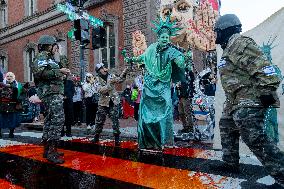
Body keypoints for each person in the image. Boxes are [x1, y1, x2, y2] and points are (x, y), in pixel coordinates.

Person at [215, 14, 284, 187]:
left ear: (225, 29)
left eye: (217, 31)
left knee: (255, 139)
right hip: (234, 101)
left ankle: (282, 175)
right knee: (226, 125)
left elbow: (265, 67)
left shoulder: (239, 43)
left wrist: (267, 89)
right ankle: (230, 163)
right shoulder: (229, 47)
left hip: (249, 99)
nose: (216, 35)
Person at [125, 17, 186, 150]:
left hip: (163, 86)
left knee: (166, 108)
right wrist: (131, 59)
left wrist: (182, 59)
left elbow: (180, 61)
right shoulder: (151, 48)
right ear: (158, 37)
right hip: (149, 85)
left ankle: (165, 140)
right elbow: (142, 57)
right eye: (163, 36)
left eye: (167, 37)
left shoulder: (171, 51)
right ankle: (148, 142)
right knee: (146, 113)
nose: (165, 39)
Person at [31, 35, 70, 164]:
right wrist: (59, 71)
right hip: (50, 94)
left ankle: (48, 149)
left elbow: (63, 67)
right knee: (58, 120)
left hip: (54, 93)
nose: (56, 48)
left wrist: (59, 59)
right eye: (55, 46)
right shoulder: (42, 56)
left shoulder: (52, 59)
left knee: (49, 120)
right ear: (49, 45)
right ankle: (52, 152)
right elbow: (39, 73)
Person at [93, 63, 129, 146]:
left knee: (115, 121)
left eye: (104, 67)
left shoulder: (111, 76)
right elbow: (100, 90)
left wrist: (125, 71)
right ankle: (96, 136)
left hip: (113, 102)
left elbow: (120, 80)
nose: (104, 69)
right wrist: (109, 85)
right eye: (101, 68)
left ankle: (117, 139)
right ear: (99, 71)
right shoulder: (96, 79)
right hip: (103, 103)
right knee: (99, 121)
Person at [0, 72, 23, 138]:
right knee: (6, 119)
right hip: (7, 105)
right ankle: (10, 133)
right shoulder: (15, 87)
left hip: (8, 105)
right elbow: (17, 97)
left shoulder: (16, 87)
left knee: (8, 119)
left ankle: (10, 133)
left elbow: (18, 96)